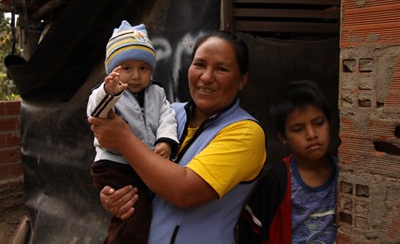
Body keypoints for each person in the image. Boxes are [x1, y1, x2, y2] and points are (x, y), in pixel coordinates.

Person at [88, 30, 267, 244]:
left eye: (221, 69)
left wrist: (124, 140)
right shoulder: (170, 113)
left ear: (242, 80)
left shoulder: (245, 132)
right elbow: (131, 166)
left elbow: (185, 192)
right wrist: (114, 196)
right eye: (199, 65)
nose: (206, 77)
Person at [86, 20, 179, 244]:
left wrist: (166, 142)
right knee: (135, 214)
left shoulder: (157, 93)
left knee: (128, 216)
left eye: (143, 68)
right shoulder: (106, 93)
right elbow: (96, 113)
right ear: (113, 71)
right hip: (114, 165)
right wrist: (110, 92)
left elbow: (167, 118)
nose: (136, 76)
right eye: (126, 68)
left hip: (141, 164)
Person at [238, 80, 338, 244]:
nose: (311, 134)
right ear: (283, 136)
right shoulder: (275, 183)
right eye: (298, 129)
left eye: (319, 123)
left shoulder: (347, 172)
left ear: (331, 123)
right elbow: (249, 231)